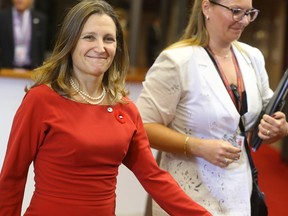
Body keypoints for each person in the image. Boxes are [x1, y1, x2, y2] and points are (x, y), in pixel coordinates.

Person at [0, 0, 212, 215]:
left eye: (108, 39)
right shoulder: (41, 100)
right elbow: (12, 177)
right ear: (71, 42)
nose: (100, 48)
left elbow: (154, 178)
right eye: (89, 37)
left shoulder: (126, 109)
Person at [136, 0, 288, 215]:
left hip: (239, 193)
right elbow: (142, 127)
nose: (243, 21)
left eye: (249, 13)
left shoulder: (251, 57)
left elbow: (263, 118)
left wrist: (277, 128)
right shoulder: (177, 61)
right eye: (236, 12)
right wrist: (197, 146)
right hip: (187, 196)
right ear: (207, 8)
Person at [0, 0, 47, 69]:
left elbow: (41, 49)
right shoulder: (2, 17)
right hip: (7, 69)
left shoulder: (40, 19)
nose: (20, 0)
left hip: (31, 69)